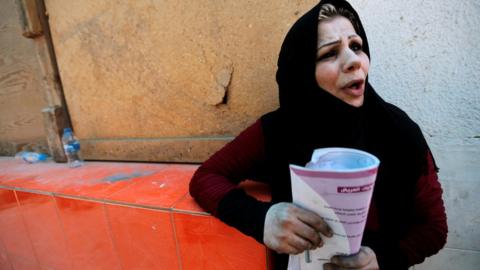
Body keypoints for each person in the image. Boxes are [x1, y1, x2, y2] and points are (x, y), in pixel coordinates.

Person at [189, 0, 448, 269]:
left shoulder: (399, 131)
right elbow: (206, 178)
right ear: (302, 71)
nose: (353, 61)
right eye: (329, 54)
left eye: (356, 46)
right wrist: (261, 219)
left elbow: (434, 228)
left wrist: (381, 259)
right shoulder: (278, 130)